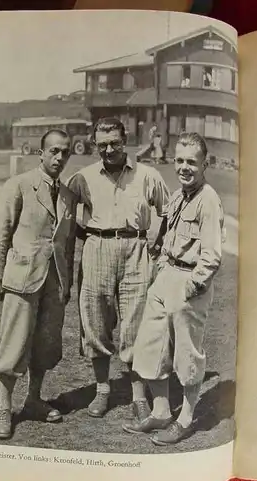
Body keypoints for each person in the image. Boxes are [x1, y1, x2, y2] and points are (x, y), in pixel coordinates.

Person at [67, 117, 170, 423]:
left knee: (135, 324)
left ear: (126, 141)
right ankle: (102, 389)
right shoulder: (82, 178)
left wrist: (156, 246)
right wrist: (86, 237)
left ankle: (138, 396)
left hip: (136, 250)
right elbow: (65, 214)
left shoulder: (147, 175)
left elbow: (167, 212)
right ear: (94, 144)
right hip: (97, 248)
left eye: (114, 143)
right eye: (102, 144)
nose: (108, 149)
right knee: (95, 321)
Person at [123, 132, 224, 445]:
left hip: (189, 282)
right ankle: (162, 410)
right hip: (167, 276)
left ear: (205, 163)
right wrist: (162, 271)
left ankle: (186, 418)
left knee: (186, 354)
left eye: (192, 162)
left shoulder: (208, 200)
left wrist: (191, 287)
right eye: (179, 160)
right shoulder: (179, 196)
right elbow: (165, 237)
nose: (184, 167)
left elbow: (212, 256)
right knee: (151, 346)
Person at [0, 129, 77, 439]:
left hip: (55, 282)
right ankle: (2, 407)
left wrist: (68, 283)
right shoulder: (20, 185)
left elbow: (68, 243)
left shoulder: (67, 196)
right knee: (14, 344)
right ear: (41, 153)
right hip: (22, 279)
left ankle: (34, 400)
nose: (59, 157)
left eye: (65, 152)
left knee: (46, 345)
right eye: (53, 151)